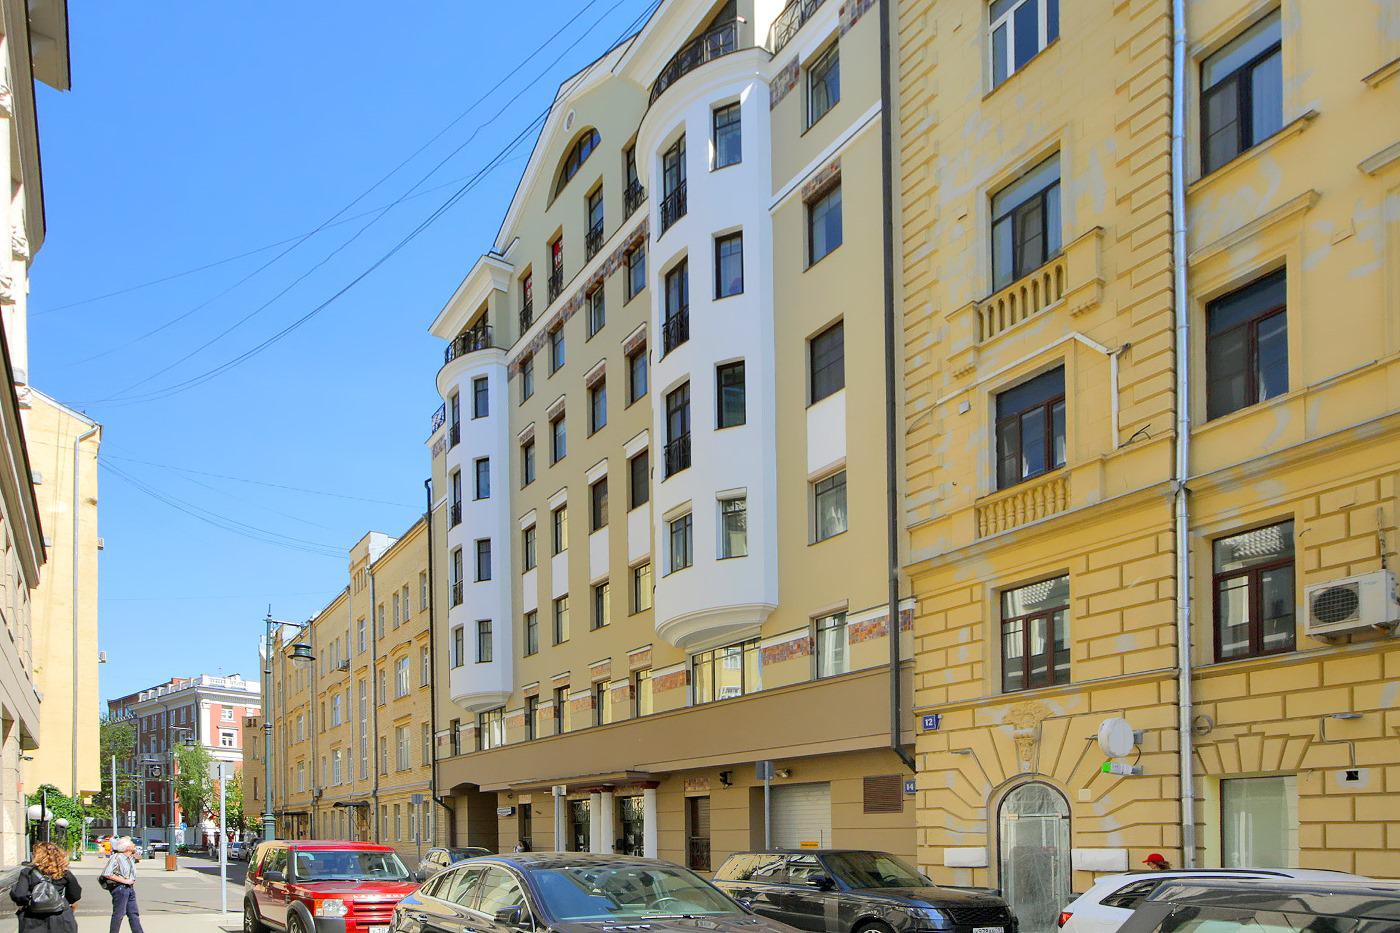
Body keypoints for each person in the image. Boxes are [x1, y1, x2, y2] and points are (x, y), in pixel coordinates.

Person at [10, 840, 81, 933]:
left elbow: (19, 895)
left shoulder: (27, 873)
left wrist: (30, 900)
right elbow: (75, 894)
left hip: (33, 918)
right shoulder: (64, 873)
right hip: (61, 917)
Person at [101, 838, 145, 933]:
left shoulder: (130, 857)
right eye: (132, 844)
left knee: (133, 913)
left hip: (130, 888)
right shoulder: (116, 857)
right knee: (119, 914)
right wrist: (125, 881)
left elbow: (139, 857)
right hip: (120, 888)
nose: (134, 845)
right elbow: (107, 873)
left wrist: (134, 852)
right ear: (127, 847)